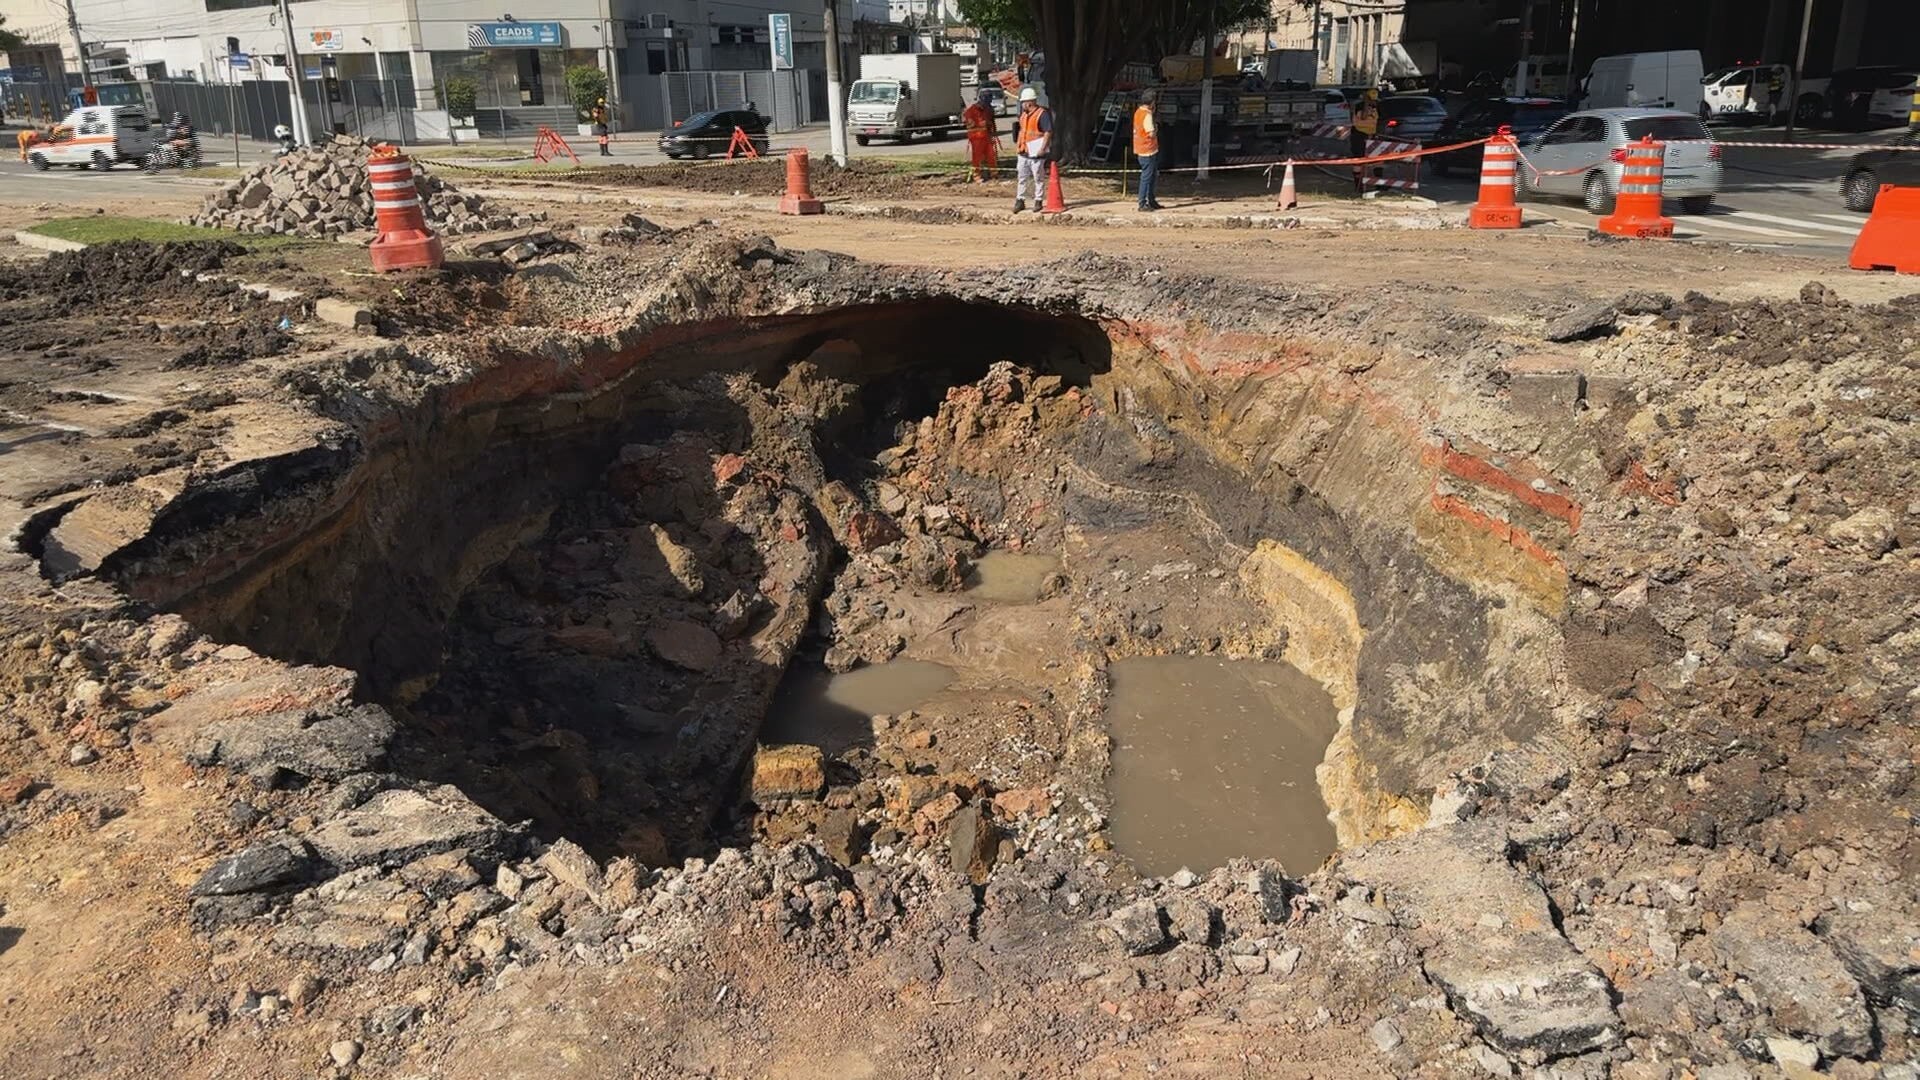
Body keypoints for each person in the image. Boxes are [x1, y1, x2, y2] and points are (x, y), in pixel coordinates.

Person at [1012, 86, 1051, 213]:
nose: (1022, 104)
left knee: (1038, 178)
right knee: (1021, 178)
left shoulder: (1042, 114)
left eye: (1023, 102)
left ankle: (1038, 200)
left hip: (1036, 153)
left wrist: (1043, 148)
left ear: (1029, 102)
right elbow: (1022, 132)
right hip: (1023, 152)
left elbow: (1047, 132)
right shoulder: (1024, 115)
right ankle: (1020, 200)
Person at [1133, 88, 1162, 212]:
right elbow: (1151, 133)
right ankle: (1142, 203)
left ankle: (1151, 200)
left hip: (1141, 148)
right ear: (1152, 102)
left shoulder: (1138, 111)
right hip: (1148, 150)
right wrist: (1156, 128)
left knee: (1151, 176)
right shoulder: (1147, 115)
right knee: (1147, 177)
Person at [963, 90, 998, 183]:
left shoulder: (987, 109)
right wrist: (982, 123)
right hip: (976, 138)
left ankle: (994, 174)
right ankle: (976, 175)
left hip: (986, 137)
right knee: (977, 157)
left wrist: (992, 129)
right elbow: (970, 123)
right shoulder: (971, 111)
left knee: (991, 155)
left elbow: (990, 122)